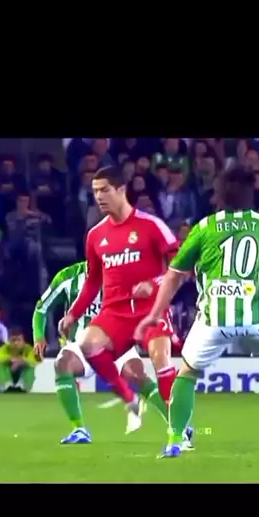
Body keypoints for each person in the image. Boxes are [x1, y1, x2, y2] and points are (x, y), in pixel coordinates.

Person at [135, 164, 259, 458]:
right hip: (257, 316)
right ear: (251, 196)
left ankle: (174, 440)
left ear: (220, 196)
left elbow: (174, 275)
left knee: (187, 373)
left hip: (214, 319)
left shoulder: (205, 227)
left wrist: (156, 313)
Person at [58, 165, 193, 448]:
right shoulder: (96, 235)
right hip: (115, 312)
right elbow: (93, 281)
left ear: (121, 189)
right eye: (95, 191)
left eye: (105, 190)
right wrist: (73, 313)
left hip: (150, 309)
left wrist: (154, 283)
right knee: (88, 344)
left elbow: (181, 266)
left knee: (160, 358)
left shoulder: (151, 225)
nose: (99, 197)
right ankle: (128, 397)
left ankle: (178, 429)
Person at [32, 261, 182, 445]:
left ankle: (177, 425)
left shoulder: (124, 274)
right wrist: (38, 336)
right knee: (63, 363)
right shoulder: (68, 277)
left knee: (138, 375)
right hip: (82, 343)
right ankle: (79, 429)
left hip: (117, 340)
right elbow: (41, 308)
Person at [0, 328, 37, 392]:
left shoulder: (28, 349)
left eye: (19, 340)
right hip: (10, 371)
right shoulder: (5, 348)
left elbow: (34, 360)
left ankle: (24, 387)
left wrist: (22, 361)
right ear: (9, 341)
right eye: (13, 340)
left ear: (23, 341)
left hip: (22, 372)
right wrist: (10, 359)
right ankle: (7, 386)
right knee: (1, 365)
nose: (16, 343)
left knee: (30, 366)